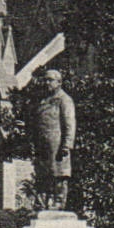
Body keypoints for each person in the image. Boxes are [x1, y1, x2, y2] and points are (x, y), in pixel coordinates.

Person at [32, 69, 76, 210]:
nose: (47, 83)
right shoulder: (43, 100)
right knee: (43, 173)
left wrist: (67, 144)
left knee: (59, 174)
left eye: (50, 80)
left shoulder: (64, 99)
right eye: (45, 80)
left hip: (57, 144)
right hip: (43, 144)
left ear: (59, 82)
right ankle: (44, 202)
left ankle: (59, 201)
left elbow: (69, 123)